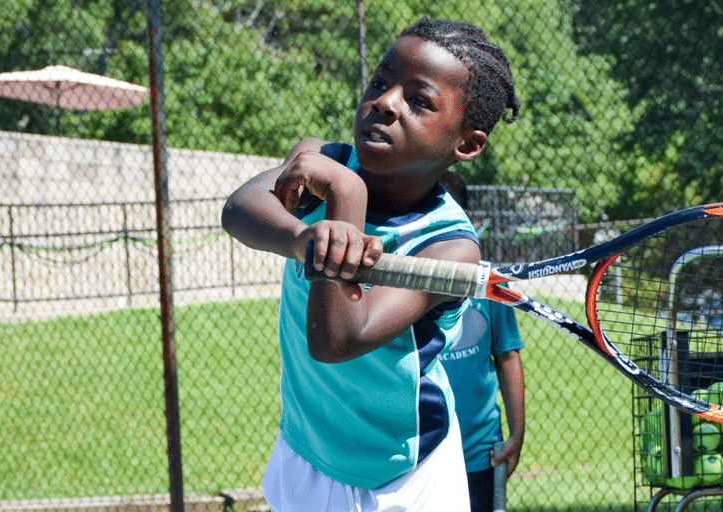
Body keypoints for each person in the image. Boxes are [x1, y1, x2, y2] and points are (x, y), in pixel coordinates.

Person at [221, 18, 520, 512]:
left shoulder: (449, 246)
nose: (384, 101)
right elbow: (238, 208)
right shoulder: (320, 159)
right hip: (307, 451)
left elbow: (337, 338)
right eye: (380, 83)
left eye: (419, 101)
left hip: (403, 474)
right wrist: (304, 238)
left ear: (466, 144)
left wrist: (347, 197)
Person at [439, 170, 526, 512]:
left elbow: (508, 357)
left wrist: (516, 434)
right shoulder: (402, 278)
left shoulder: (490, 282)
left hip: (479, 453)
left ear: (465, 220)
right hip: (418, 454)